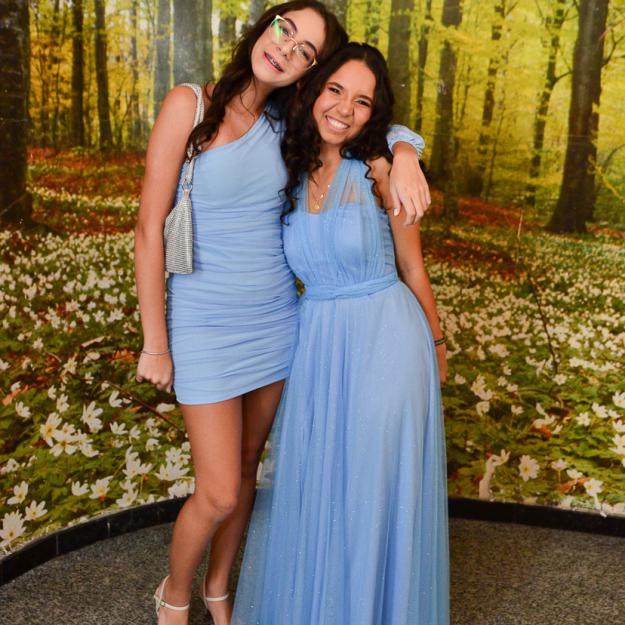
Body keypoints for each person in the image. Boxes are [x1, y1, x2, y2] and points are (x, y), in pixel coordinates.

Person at [134, 3, 431, 624]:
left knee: (247, 470)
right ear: (264, 25)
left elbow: (364, 122)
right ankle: (175, 594)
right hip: (203, 321)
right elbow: (148, 229)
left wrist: (405, 150)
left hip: (276, 319)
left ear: (309, 72)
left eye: (305, 52)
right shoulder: (189, 105)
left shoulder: (287, 123)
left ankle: (219, 589)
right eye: (285, 30)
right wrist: (155, 342)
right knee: (219, 490)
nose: (287, 50)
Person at [231, 42, 449, 625]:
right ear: (312, 89)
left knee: (370, 493)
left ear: (374, 113)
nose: (345, 109)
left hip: (389, 342)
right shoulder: (288, 168)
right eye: (335, 90)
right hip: (319, 349)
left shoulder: (379, 169)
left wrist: (436, 344)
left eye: (362, 101)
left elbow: (414, 268)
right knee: (321, 491)